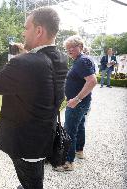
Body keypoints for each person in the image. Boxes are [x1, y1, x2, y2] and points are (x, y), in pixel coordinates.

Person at [0, 7, 68, 189]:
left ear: (39, 30)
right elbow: (43, 77)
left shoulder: (24, 63)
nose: (22, 32)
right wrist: (27, 56)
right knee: (33, 178)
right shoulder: (61, 58)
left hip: (25, 141)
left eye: (26, 27)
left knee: (32, 183)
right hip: (44, 136)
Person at [54, 35, 97, 172]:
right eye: (68, 48)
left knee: (69, 131)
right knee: (80, 126)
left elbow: (92, 81)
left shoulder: (82, 61)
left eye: (73, 47)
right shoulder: (81, 60)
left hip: (77, 103)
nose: (70, 50)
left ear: (81, 47)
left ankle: (68, 162)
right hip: (82, 102)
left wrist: (76, 99)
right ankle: (79, 151)